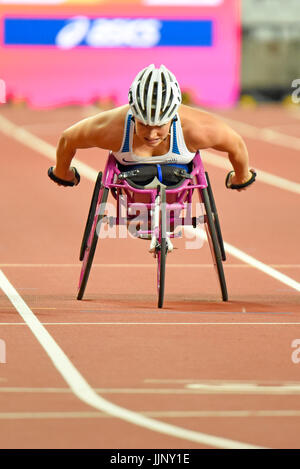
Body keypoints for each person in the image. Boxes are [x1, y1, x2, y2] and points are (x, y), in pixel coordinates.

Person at [48, 64, 256, 249]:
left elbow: (236, 144)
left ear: (174, 117)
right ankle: (153, 219)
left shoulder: (196, 128)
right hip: (131, 187)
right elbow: (68, 139)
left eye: (160, 126)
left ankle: (162, 219)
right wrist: (240, 177)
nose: (151, 134)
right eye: (144, 124)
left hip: (178, 184)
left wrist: (63, 174)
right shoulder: (114, 127)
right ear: (133, 115)